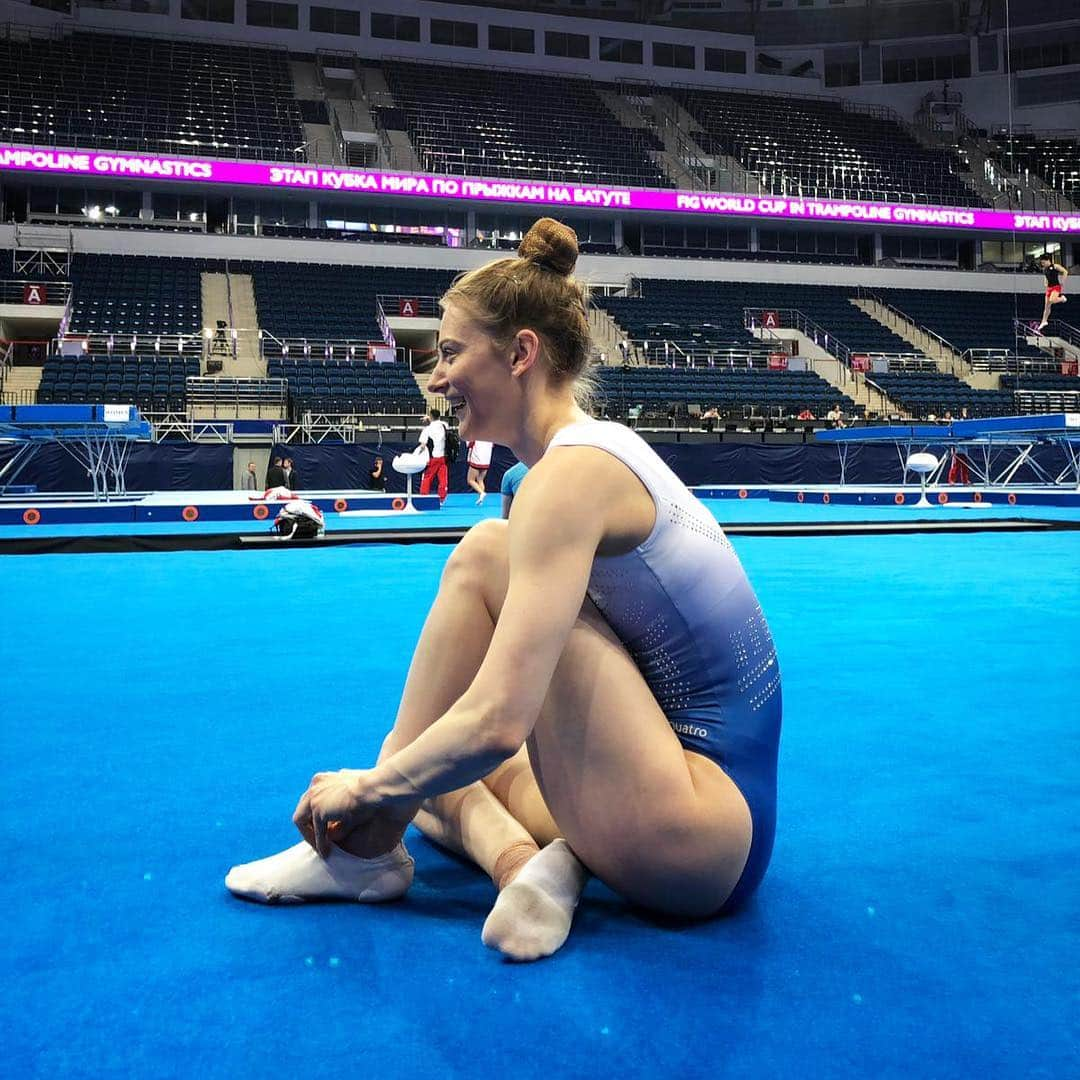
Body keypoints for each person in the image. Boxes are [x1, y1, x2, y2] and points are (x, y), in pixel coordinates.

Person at [225, 218, 782, 963]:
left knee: (482, 569)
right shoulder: (564, 467)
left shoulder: (569, 476)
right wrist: (394, 776)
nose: (436, 377)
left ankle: (365, 850)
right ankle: (529, 867)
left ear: (521, 353)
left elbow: (495, 723)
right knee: (425, 772)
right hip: (691, 812)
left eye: (452, 353)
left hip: (698, 831)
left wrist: (362, 792)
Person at [417, 408, 449, 504]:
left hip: (433, 458)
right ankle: (442, 498)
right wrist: (429, 418)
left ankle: (423, 497)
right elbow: (439, 421)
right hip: (443, 457)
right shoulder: (444, 425)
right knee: (443, 478)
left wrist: (416, 455)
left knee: (427, 477)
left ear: (430, 417)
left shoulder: (427, 430)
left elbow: (423, 446)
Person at [1037, 253, 1068, 332]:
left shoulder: (1055, 266)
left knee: (1052, 300)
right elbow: (1046, 276)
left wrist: (1063, 281)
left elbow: (1065, 271)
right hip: (1049, 288)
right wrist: (1045, 282)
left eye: (1043, 262)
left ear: (1048, 260)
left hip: (1056, 287)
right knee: (1047, 306)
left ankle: (1062, 298)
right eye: (1042, 263)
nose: (1043, 264)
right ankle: (1044, 321)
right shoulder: (1045, 269)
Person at [466, 439, 494, 506]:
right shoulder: (489, 435)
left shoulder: (476, 434)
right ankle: (481, 499)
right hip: (486, 459)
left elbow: (469, 443)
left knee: (470, 480)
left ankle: (482, 493)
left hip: (477, 457)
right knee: (480, 479)